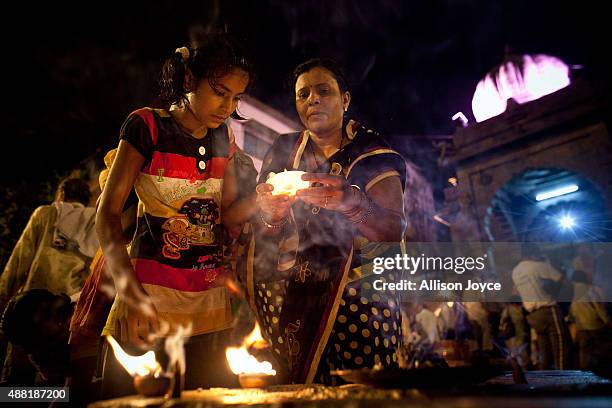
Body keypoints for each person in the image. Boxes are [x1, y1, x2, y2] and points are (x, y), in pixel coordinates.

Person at [96, 32, 256, 397]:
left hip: (209, 302)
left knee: (210, 399)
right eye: (219, 92)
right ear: (188, 81)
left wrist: (266, 198)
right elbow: (106, 216)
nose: (227, 106)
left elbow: (228, 216)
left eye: (235, 98)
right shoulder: (147, 126)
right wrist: (130, 293)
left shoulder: (223, 137)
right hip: (149, 299)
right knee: (137, 400)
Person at [237, 58, 407, 384]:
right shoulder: (284, 150)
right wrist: (271, 214)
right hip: (292, 298)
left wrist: (352, 204)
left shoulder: (371, 151)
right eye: (303, 94)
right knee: (298, 393)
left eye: (323, 91)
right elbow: (262, 232)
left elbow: (392, 229)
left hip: (359, 300)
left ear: (345, 99)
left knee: (360, 393)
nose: (311, 99)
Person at [512, 243, 571, 370]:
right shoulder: (539, 266)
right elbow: (562, 279)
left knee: (544, 351)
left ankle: (544, 380)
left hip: (532, 315)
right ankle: (563, 380)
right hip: (548, 310)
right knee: (560, 346)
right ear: (534, 253)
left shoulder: (516, 271)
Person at [0, 289, 73, 386]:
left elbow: (73, 389)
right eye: (46, 316)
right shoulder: (40, 352)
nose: (58, 319)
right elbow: (59, 389)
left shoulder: (82, 311)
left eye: (47, 313)